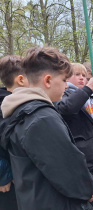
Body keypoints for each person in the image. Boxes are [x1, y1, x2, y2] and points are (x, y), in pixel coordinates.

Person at [0, 46, 93, 210]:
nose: (67, 87)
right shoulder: (41, 118)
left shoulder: (19, 111)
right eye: (64, 80)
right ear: (47, 80)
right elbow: (68, 169)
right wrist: (88, 187)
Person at [55, 63, 93, 210]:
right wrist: (88, 89)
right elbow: (67, 108)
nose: (82, 78)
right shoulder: (64, 94)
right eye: (77, 75)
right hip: (86, 159)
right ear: (67, 77)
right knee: (91, 202)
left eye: (84, 76)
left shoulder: (92, 95)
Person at [0, 55, 28, 210]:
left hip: (21, 177)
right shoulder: (4, 104)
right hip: (8, 184)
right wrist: (3, 176)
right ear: (21, 79)